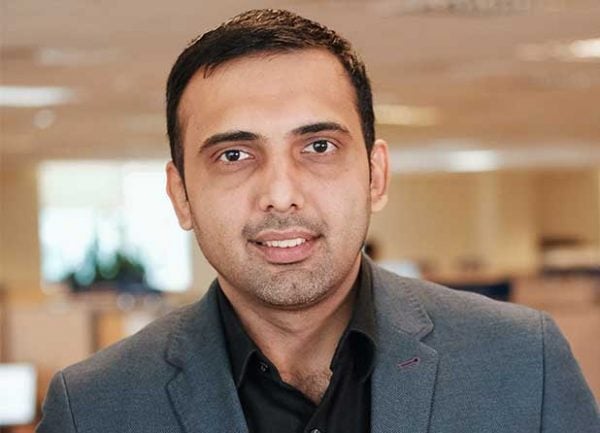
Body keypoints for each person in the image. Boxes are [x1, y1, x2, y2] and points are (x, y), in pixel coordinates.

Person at [37, 9, 598, 433]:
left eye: (319, 146)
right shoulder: (94, 408)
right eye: (234, 155)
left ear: (376, 175)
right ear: (180, 195)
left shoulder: (521, 362)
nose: (281, 195)